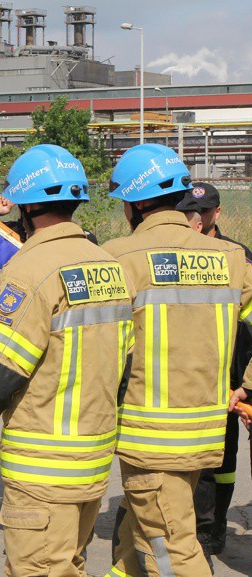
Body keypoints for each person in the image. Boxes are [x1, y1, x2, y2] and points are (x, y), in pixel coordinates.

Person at [0, 145, 134, 575]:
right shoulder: (109, 265)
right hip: (93, 462)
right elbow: (125, 363)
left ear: (26, 204)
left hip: (43, 470)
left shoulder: (29, 270)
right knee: (69, 564)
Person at [103, 144, 252, 577]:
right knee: (142, 532)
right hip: (205, 431)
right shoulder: (230, 259)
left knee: (170, 551)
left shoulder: (119, 257)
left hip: (150, 437)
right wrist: (246, 384)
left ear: (135, 203)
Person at [178, 182, 252, 569]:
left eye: (203, 214)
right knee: (197, 462)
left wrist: (245, 382)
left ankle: (214, 526)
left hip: (231, 378)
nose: (197, 220)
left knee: (223, 462)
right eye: (190, 212)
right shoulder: (176, 254)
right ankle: (197, 531)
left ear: (216, 215)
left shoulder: (238, 256)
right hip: (194, 374)